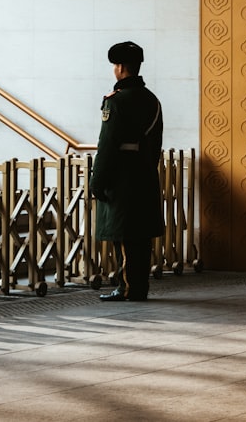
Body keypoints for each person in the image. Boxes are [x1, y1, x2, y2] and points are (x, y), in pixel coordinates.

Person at [90, 41, 164, 301]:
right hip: (144, 174)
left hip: (121, 178)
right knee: (140, 236)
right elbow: (156, 143)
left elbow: (107, 145)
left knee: (124, 237)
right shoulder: (152, 99)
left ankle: (127, 287)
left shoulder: (117, 101)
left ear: (119, 67)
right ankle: (139, 286)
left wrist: (96, 181)